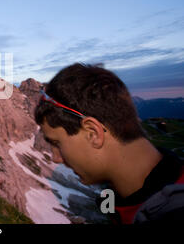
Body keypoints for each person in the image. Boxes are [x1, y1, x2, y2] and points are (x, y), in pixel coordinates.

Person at [34, 63, 184, 224]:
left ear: (93, 133)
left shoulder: (172, 214)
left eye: (56, 143)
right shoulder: (116, 199)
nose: (56, 158)